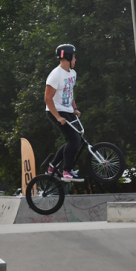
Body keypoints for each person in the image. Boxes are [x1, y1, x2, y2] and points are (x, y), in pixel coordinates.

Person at [45, 43, 83, 182]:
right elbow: (48, 98)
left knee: (73, 139)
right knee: (74, 139)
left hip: (67, 111)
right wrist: (58, 117)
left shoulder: (72, 73)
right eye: (73, 57)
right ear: (67, 57)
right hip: (55, 111)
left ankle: (52, 167)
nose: (75, 60)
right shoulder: (55, 75)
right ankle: (67, 170)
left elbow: (70, 92)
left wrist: (74, 108)